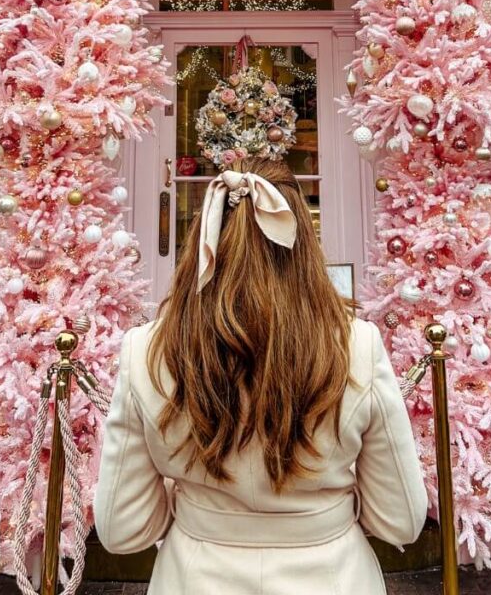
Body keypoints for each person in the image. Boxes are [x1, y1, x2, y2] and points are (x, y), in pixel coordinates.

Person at [94, 157, 428, 594]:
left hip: (193, 576)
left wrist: (198, 504)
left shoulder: (146, 350)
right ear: (306, 242)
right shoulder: (357, 345)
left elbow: (123, 529)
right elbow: (400, 520)